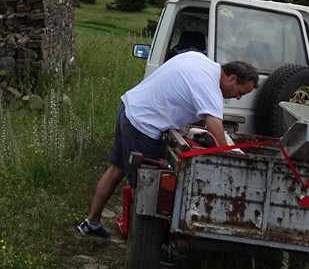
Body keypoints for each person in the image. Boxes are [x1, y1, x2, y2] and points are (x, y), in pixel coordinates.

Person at [76, 51, 259, 239]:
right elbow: (213, 123)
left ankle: (91, 223)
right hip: (143, 126)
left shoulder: (198, 59)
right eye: (239, 92)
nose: (237, 98)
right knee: (149, 190)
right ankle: (145, 244)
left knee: (116, 169)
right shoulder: (209, 86)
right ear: (232, 78)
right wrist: (228, 155)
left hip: (130, 108)